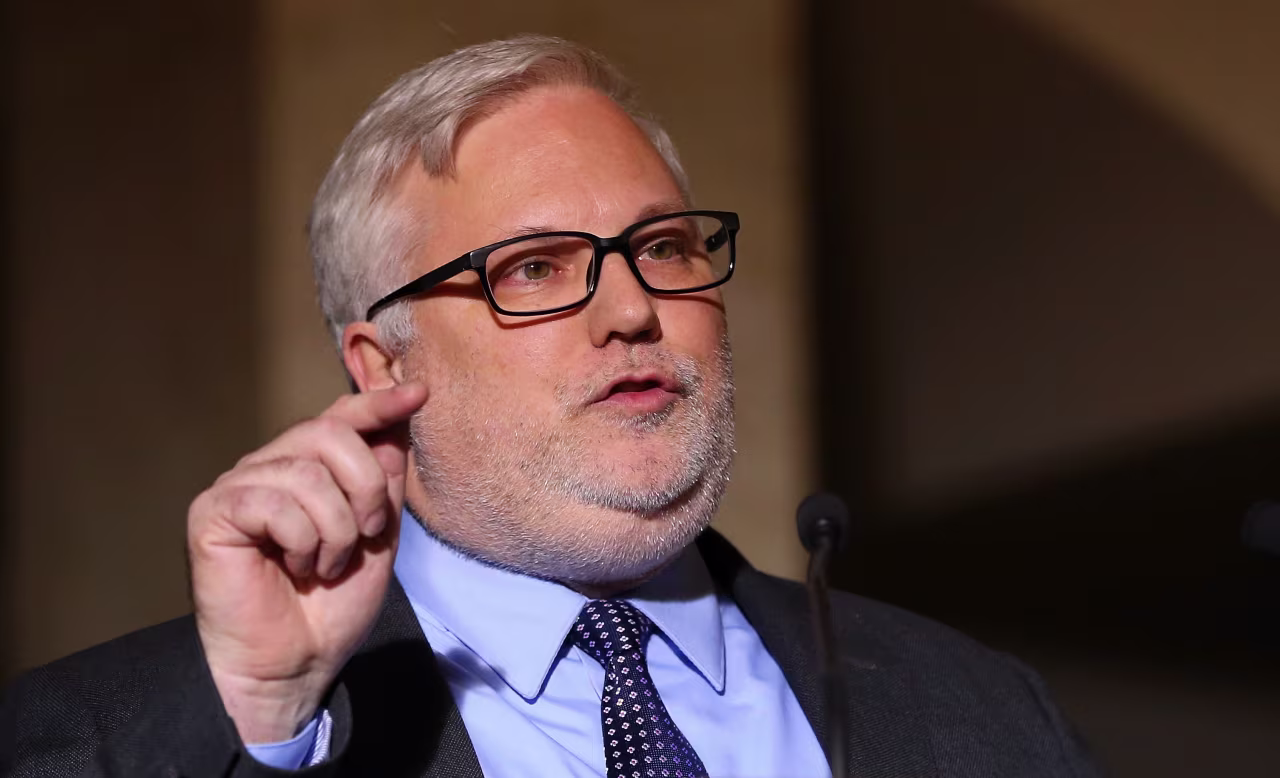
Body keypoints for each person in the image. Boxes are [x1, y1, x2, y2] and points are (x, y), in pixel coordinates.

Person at [0, 36, 1102, 778]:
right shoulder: (96, 736)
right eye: (532, 268)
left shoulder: (980, 710)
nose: (630, 308)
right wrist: (259, 721)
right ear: (380, 367)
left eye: (664, 248)